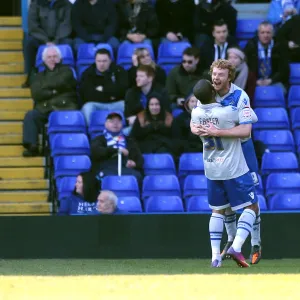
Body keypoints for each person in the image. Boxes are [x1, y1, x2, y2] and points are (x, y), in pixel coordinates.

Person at [191, 59, 261, 265]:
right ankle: (232, 242)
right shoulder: (206, 96)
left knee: (250, 200)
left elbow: (247, 130)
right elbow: (195, 124)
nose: (215, 78)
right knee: (231, 206)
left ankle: (256, 243)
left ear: (229, 76)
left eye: (220, 74)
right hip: (223, 156)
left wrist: (213, 131)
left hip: (243, 152)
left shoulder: (240, 97)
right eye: (214, 74)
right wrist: (199, 131)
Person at [22, 46, 78, 157]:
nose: (52, 59)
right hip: (45, 108)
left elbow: (63, 81)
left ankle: (55, 147)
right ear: (44, 60)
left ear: (59, 58)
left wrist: (45, 88)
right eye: (49, 57)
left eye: (54, 57)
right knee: (31, 115)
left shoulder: (67, 71)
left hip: (64, 107)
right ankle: (32, 146)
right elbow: (36, 93)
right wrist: (54, 91)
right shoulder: (38, 76)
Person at [79, 48, 129, 125]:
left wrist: (102, 90)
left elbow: (123, 90)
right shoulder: (87, 73)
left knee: (126, 104)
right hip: (97, 104)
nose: (101, 64)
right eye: (99, 61)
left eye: (104, 61)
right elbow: (87, 95)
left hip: (116, 103)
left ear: (110, 61)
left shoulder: (119, 71)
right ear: (95, 61)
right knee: (87, 107)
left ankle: (124, 131)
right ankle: (92, 131)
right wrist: (111, 94)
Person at [91, 112, 144, 183]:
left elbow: (139, 159)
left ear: (122, 124)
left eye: (118, 121)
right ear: (105, 124)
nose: (115, 124)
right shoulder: (99, 139)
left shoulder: (129, 141)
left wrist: (134, 164)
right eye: (112, 121)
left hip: (125, 169)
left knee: (137, 176)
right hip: (106, 168)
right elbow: (96, 152)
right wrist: (117, 150)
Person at [244, 21, 290, 93]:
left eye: (268, 32)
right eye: (262, 32)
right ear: (258, 34)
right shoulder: (250, 46)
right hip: (255, 81)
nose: (265, 35)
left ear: (273, 34)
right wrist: (255, 80)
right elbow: (246, 68)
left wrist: (271, 80)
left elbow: (284, 70)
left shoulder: (280, 46)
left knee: (281, 91)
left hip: (274, 81)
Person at [130, 94, 179, 158]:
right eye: (151, 105)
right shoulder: (140, 117)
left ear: (161, 105)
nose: (154, 107)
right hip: (145, 149)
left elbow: (176, 138)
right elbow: (134, 137)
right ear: (148, 106)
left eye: (157, 104)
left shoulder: (169, 118)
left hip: (165, 148)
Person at [124, 65, 169, 131]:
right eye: (137, 76)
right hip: (137, 125)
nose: (137, 78)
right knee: (125, 132)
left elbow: (166, 112)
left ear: (150, 78)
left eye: (141, 76)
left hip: (157, 124)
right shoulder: (131, 93)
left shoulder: (162, 92)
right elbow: (128, 114)